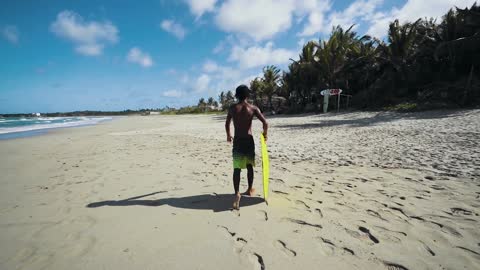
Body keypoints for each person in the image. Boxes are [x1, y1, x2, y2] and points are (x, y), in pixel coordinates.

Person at [225, 85, 268, 210]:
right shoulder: (253, 108)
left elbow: (227, 123)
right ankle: (249, 190)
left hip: (237, 141)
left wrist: (229, 135)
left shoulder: (233, 108)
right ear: (247, 95)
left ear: (237, 95)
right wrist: (265, 134)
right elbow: (265, 123)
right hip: (249, 141)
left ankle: (237, 193)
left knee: (237, 168)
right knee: (249, 166)